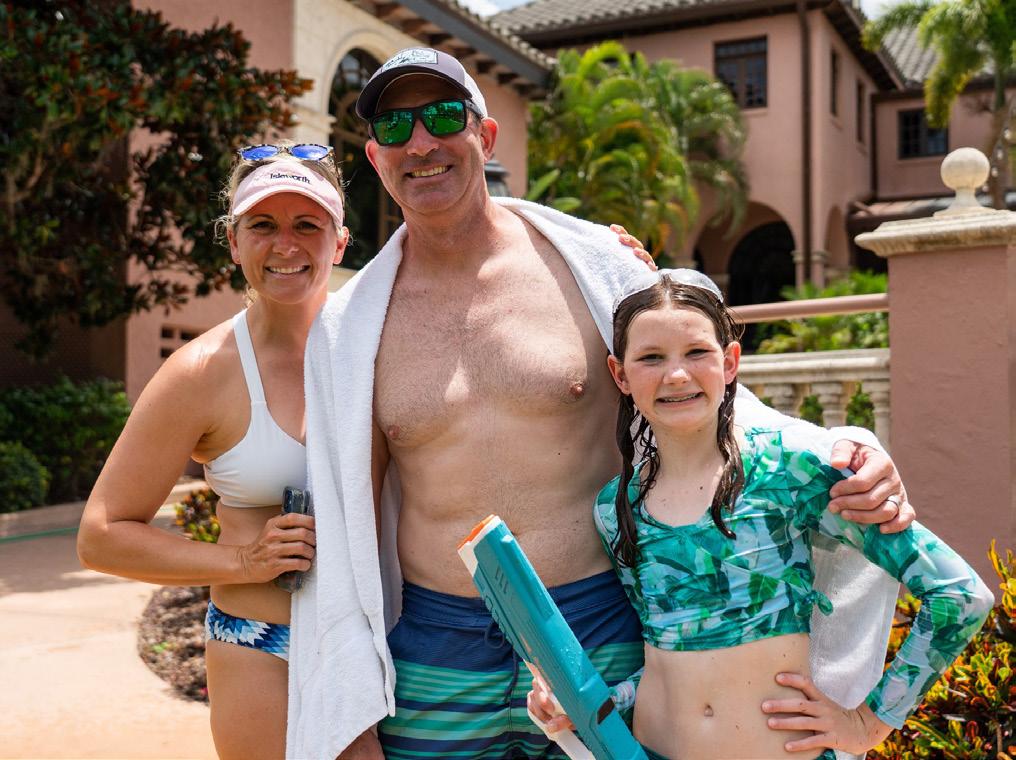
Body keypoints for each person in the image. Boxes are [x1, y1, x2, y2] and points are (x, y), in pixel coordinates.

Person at [289, 47, 915, 760]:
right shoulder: (352, 328)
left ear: (485, 137)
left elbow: (698, 396)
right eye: (396, 128)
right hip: (439, 644)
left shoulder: (592, 267)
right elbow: (345, 517)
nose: (421, 143)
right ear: (375, 157)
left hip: (596, 624)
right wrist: (350, 721)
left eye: (442, 117)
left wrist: (844, 455)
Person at [531, 269, 993, 759]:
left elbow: (958, 594)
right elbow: (667, 656)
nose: (677, 375)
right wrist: (587, 705)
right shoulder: (617, 507)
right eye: (651, 358)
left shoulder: (789, 470)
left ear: (730, 361)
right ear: (620, 374)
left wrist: (868, 722)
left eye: (696, 352)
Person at [77, 144, 348, 760]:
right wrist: (245, 561)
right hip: (263, 645)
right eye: (263, 224)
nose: (285, 244)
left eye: (308, 225)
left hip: (386, 638)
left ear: (339, 242)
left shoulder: (377, 345)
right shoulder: (200, 373)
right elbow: (101, 535)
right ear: (233, 242)